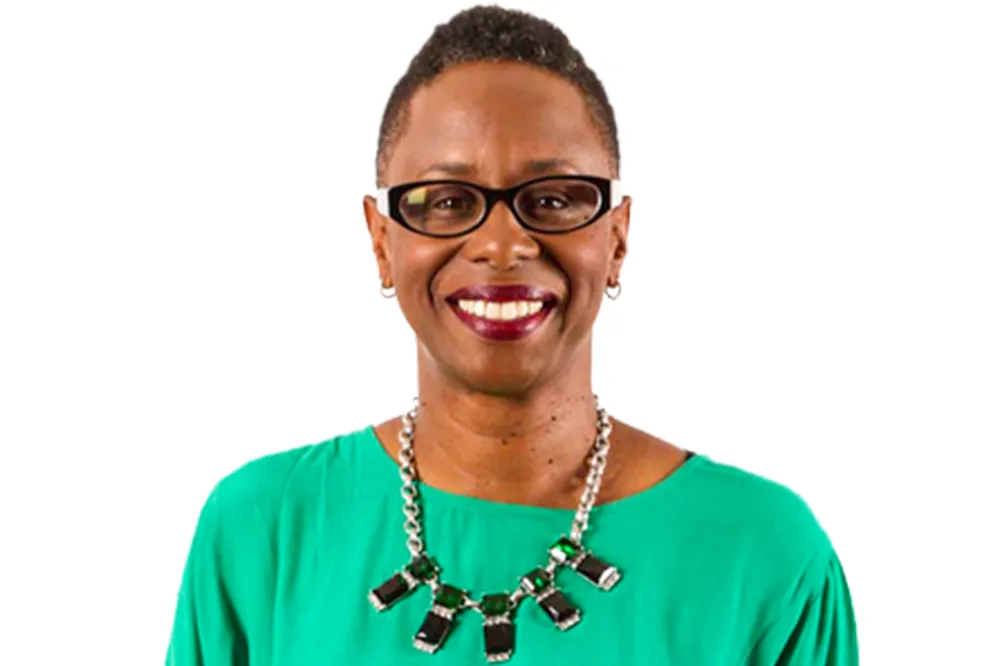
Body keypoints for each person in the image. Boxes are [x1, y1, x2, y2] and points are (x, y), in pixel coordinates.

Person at [165, 6, 858, 665]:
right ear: (382, 243)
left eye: (553, 199)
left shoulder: (762, 557)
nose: (501, 245)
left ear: (616, 239)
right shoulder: (263, 530)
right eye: (446, 202)